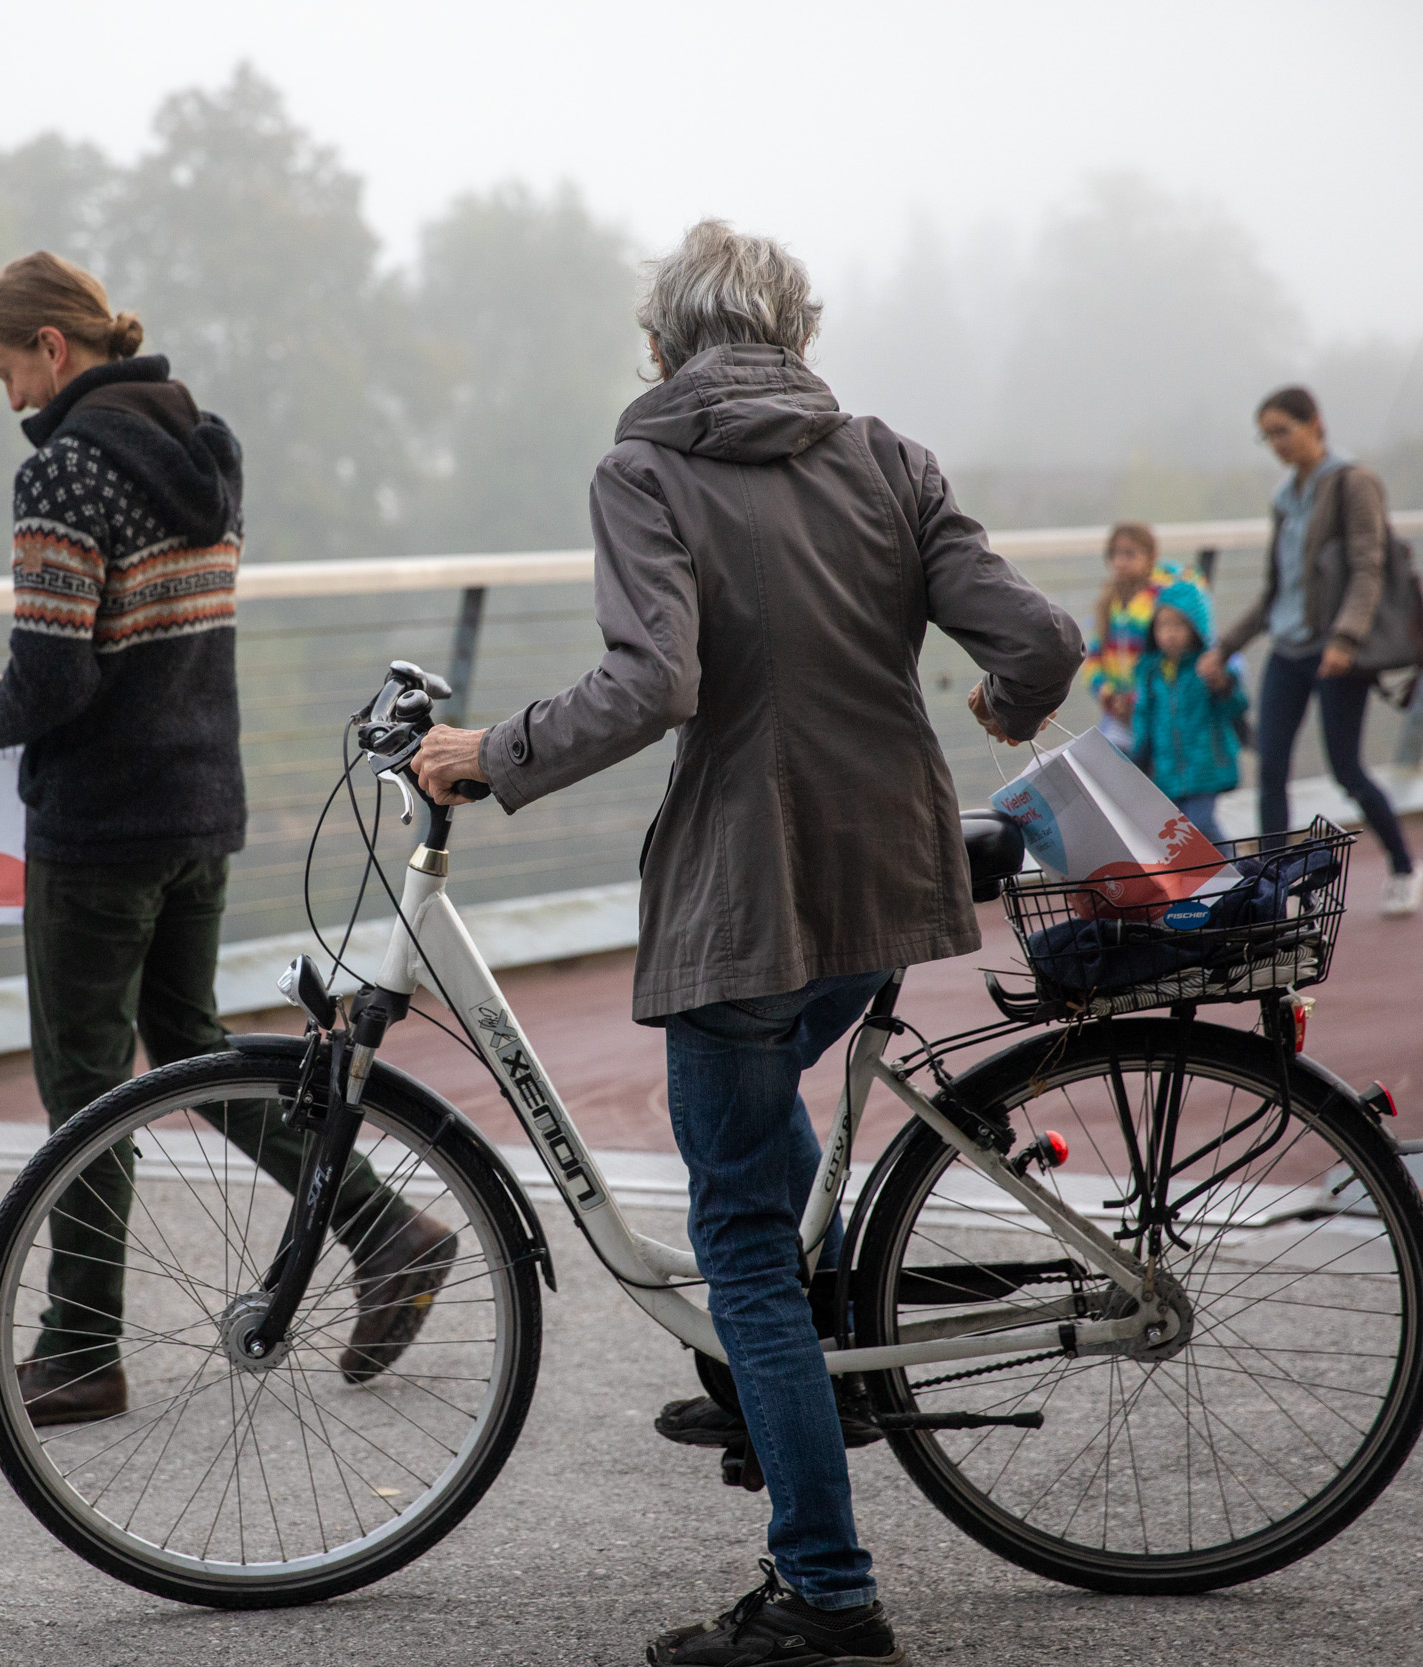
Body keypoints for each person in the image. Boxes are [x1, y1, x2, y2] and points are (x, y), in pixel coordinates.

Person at [413, 221, 1082, 1667]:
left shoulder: (643, 469)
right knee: (754, 1138)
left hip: (748, 888)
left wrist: (492, 753)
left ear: (662, 346)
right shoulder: (889, 457)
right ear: (794, 335)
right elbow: (1035, 640)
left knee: (737, 1238)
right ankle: (801, 1358)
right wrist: (1004, 709)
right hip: (893, 869)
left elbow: (655, 679)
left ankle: (825, 1588)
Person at [0, 252, 451, 1436]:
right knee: (187, 1042)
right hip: (198, 803)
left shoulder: (66, 470)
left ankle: (76, 1353)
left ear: (53, 350)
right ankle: (385, 1232)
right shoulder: (206, 451)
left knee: (83, 1080)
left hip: (101, 821)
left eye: (7, 368)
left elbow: (55, 676)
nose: (9, 395)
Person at [1206, 386, 1423, 915]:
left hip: (1335, 653)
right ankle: (1273, 891)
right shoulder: (1286, 498)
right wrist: (1223, 647)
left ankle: (1404, 865)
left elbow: (1368, 567)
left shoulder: (1354, 482)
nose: (1276, 443)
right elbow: (1276, 589)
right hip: (1288, 648)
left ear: (1315, 424)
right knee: (1272, 769)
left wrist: (1346, 640)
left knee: (1346, 769)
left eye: (1283, 430)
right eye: (1268, 435)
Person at [1131, 578, 1249, 841]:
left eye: (1179, 625)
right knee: (1182, 833)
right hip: (1167, 771)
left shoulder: (1208, 666)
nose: (1170, 633)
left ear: (1196, 627)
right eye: (1163, 625)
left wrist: (1223, 684)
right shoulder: (1151, 671)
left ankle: (1234, 871)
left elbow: (1237, 706)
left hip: (1206, 768)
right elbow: (1144, 717)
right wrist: (1139, 757)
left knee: (1199, 826)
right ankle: (1228, 874)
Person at [1082, 521, 1181, 755]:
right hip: (1117, 713)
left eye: (1130, 554)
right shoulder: (1108, 603)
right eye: (1115, 554)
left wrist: (1137, 700)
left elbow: (1168, 660)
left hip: (1156, 713)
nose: (1120, 562)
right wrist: (1107, 694)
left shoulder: (1162, 600)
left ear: (1151, 557)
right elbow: (1093, 657)